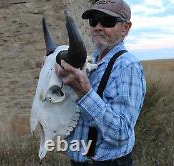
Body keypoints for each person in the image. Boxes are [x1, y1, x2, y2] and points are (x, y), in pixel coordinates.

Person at [55, 0, 146, 165]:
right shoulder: (91, 60)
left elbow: (121, 133)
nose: (97, 26)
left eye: (107, 21)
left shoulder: (127, 66)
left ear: (125, 28)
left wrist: (84, 92)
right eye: (93, 20)